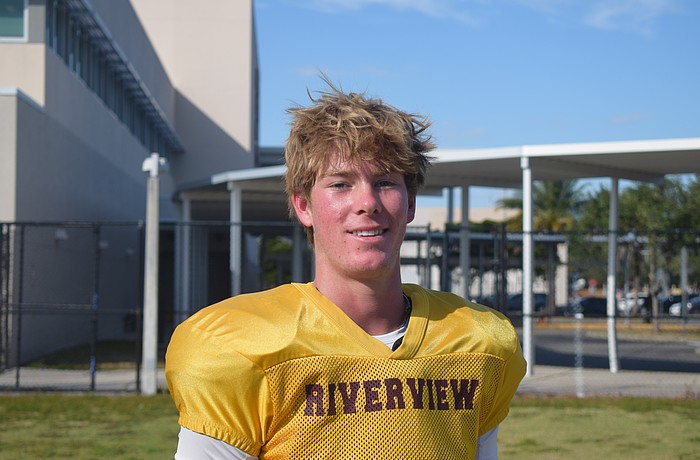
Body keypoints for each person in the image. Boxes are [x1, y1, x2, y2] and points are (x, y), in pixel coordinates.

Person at [165, 80, 526, 459]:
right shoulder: (239, 347)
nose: (367, 202)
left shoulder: (478, 342)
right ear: (303, 206)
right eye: (340, 184)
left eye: (385, 182)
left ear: (411, 204)